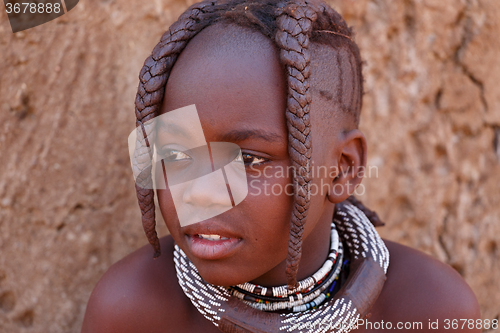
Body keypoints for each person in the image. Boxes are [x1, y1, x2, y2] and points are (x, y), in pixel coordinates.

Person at [81, 0, 481, 331]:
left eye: (249, 159)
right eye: (178, 156)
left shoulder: (430, 310)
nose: (197, 190)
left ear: (342, 168)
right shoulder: (133, 309)